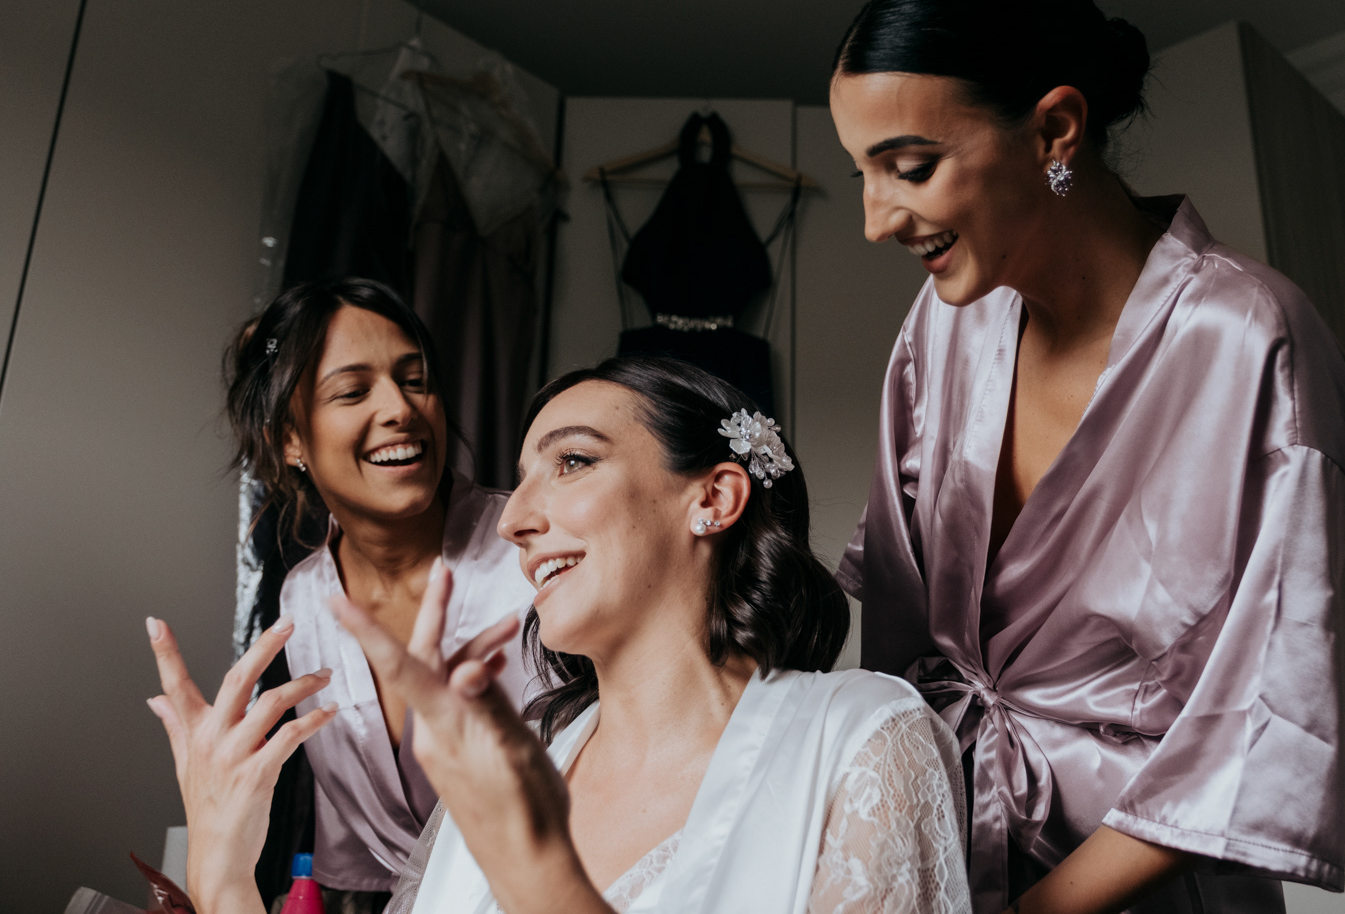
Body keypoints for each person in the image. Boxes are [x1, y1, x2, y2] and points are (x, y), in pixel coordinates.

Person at [828, 0, 1345, 914]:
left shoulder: (1251, 339)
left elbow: (1255, 718)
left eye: (909, 167)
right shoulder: (938, 329)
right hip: (945, 849)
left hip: (1147, 888)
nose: (875, 219)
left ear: (1055, 130)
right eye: (863, 172)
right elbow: (896, 624)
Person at [146, 354, 972, 914]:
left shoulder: (864, 738)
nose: (513, 518)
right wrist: (224, 874)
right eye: (520, 479)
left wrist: (536, 874)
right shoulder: (515, 768)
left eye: (571, 462)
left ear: (713, 499)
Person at [215, 277, 534, 910]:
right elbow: (359, 854)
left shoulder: (535, 552)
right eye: (353, 391)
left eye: (415, 381)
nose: (401, 409)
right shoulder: (304, 601)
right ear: (289, 440)